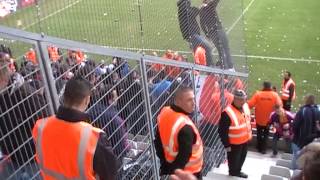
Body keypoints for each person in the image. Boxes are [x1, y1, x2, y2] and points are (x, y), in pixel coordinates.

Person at [32, 77, 118, 180]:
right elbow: (109, 174)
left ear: (64, 96)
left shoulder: (40, 126)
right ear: (87, 100)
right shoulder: (94, 137)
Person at [154, 86, 203, 179]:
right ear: (178, 101)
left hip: (170, 165)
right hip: (188, 173)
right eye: (189, 100)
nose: (194, 103)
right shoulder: (185, 126)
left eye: (193, 99)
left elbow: (158, 142)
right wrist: (175, 173)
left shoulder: (165, 112)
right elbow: (184, 156)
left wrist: (165, 165)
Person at [218, 89, 252, 178]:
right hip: (233, 144)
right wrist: (227, 145)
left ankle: (238, 171)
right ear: (234, 99)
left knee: (242, 158)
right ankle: (233, 174)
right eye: (240, 100)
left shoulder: (245, 107)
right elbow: (222, 131)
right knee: (234, 161)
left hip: (245, 140)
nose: (242, 102)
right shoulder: (227, 113)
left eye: (244, 99)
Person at [248, 81, 282, 154]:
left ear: (263, 86)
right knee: (266, 134)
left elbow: (250, 105)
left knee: (259, 133)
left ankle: (259, 147)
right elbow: (279, 105)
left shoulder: (258, 94)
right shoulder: (275, 95)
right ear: (270, 86)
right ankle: (264, 149)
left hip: (259, 119)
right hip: (269, 120)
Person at [199, 0, 233, 70]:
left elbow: (202, 24)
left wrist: (207, 34)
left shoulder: (201, 10)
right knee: (226, 48)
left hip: (212, 33)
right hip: (218, 30)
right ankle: (230, 67)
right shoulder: (209, 6)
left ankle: (225, 69)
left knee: (220, 51)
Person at [292, 94, 320, 169]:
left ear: (306, 100)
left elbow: (295, 126)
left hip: (300, 141)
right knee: (308, 162)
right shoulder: (318, 111)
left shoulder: (302, 111)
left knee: (296, 160)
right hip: (312, 142)